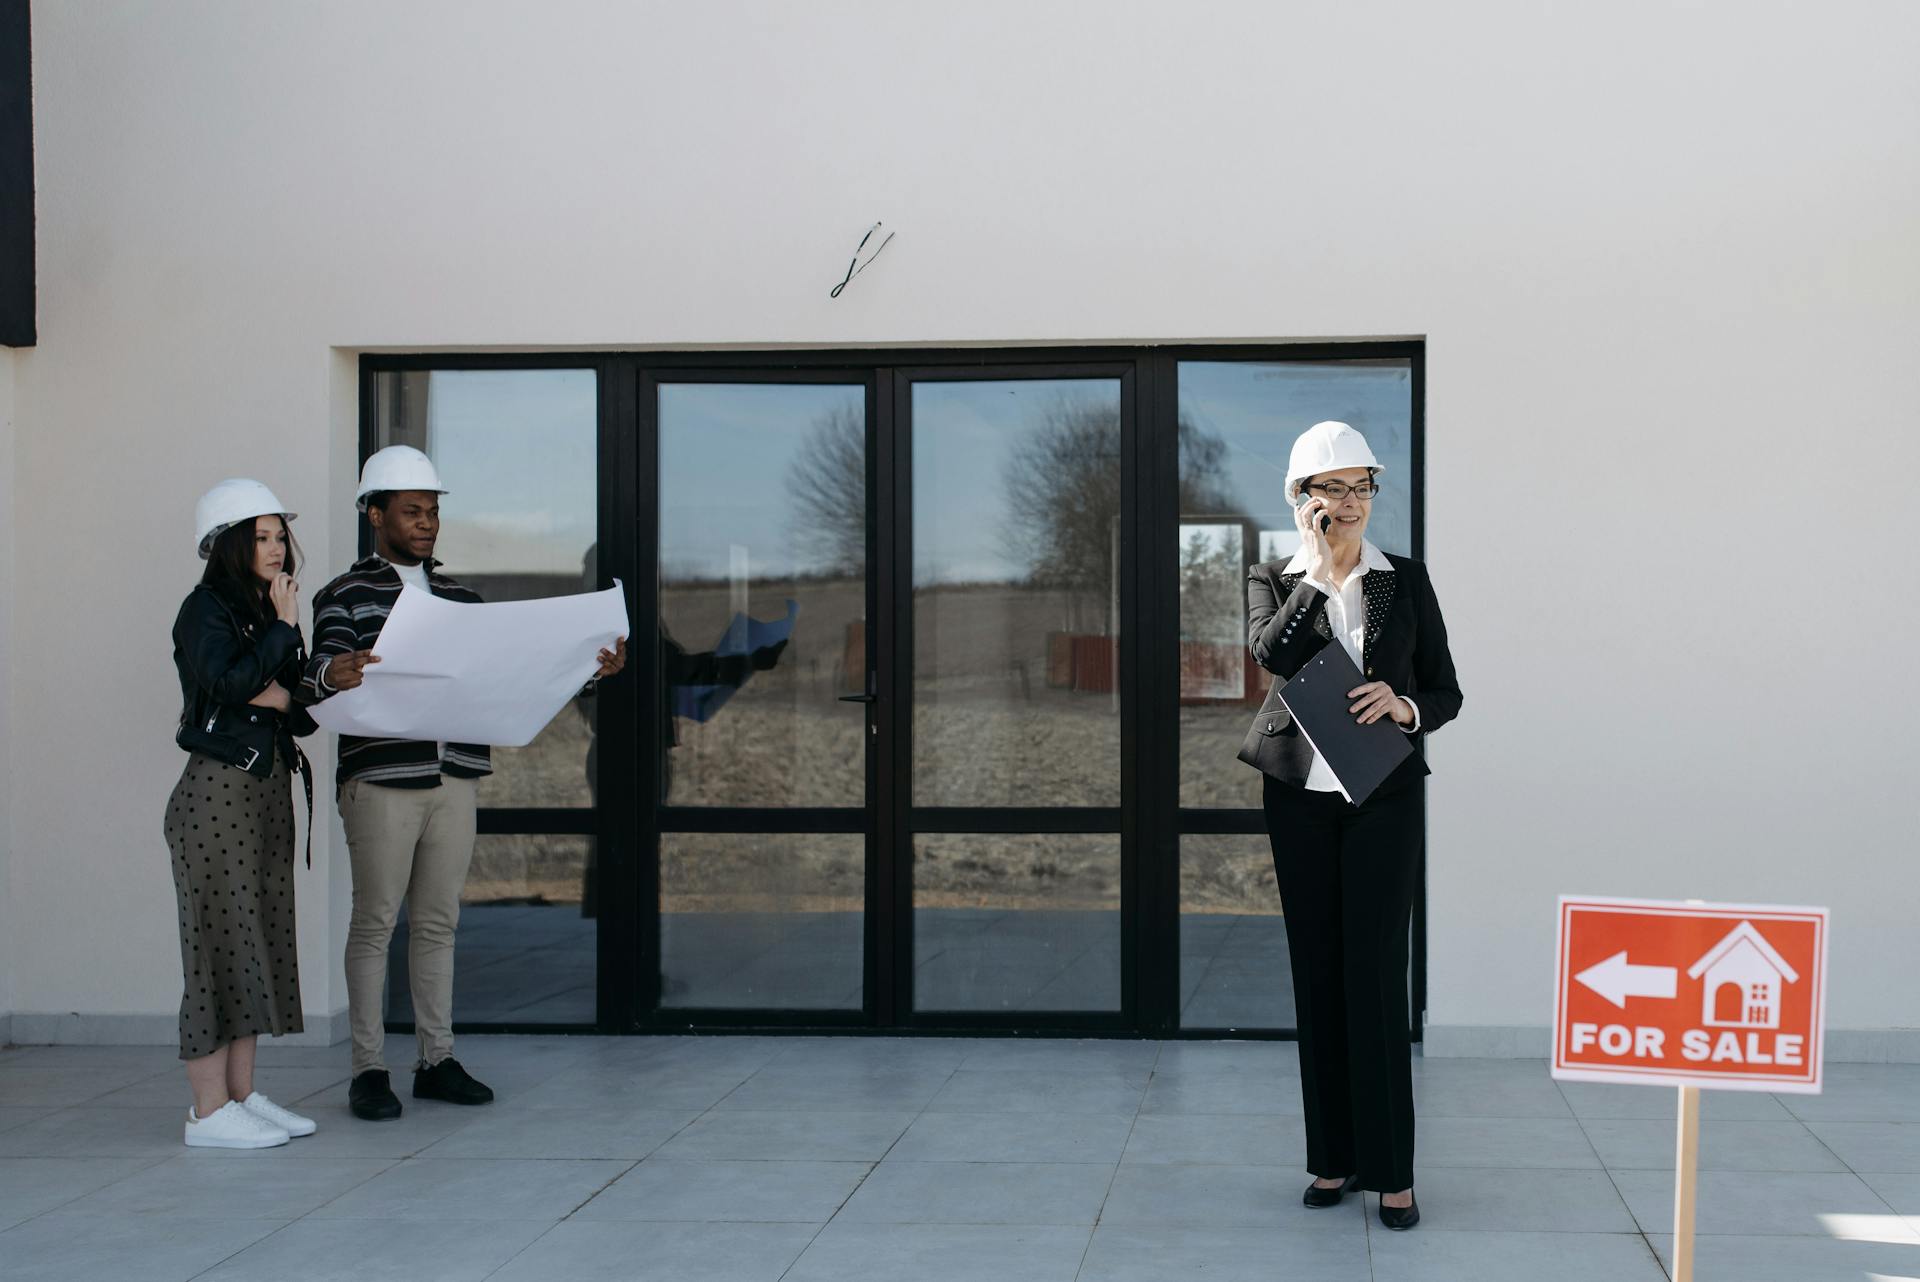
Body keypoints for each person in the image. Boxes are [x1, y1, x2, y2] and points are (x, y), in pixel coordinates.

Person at [296, 445, 626, 1121]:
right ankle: (368, 1071)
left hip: (454, 777)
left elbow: (511, 677)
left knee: (440, 924)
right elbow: (318, 673)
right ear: (374, 513)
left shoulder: (458, 599)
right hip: (382, 778)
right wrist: (337, 672)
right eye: (412, 511)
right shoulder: (345, 595)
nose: (427, 524)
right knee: (376, 922)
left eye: (434, 512)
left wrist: (589, 670)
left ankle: (436, 1060)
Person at [1242, 421, 1462, 1230]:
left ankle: (1392, 1172)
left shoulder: (1405, 580)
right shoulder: (1274, 577)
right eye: (1333, 488)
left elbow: (1445, 690)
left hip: (1385, 800)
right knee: (1320, 974)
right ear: (1303, 500)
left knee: (1376, 979)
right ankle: (1333, 1160)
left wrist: (1403, 705)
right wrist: (1320, 574)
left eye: (1362, 485)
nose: (1352, 501)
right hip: (1300, 801)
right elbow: (1271, 653)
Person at [168, 479, 322, 1149]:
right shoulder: (203, 610)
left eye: (280, 533)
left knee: (254, 942)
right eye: (260, 536)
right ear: (228, 544)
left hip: (263, 790)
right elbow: (229, 685)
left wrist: (289, 658)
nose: (276, 546)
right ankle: (207, 1113)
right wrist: (283, 640)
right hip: (217, 793)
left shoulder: (268, 612)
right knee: (214, 949)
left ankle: (240, 1095)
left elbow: (298, 709)